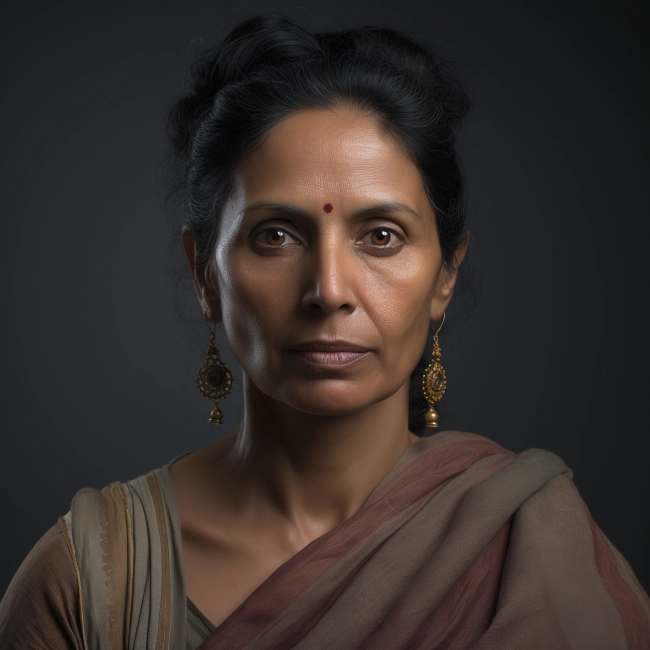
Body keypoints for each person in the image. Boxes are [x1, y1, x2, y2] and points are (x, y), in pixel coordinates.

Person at [1, 13, 648, 650]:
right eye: (276, 236)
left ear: (445, 276)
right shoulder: (92, 580)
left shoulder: (529, 545)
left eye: (381, 237)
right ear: (205, 275)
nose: (330, 291)